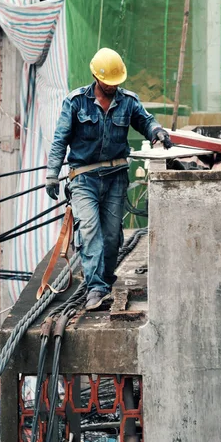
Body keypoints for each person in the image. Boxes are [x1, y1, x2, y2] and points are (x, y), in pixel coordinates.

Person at [45, 48, 172, 310]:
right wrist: (52, 175)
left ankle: (103, 279)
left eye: (116, 82)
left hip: (115, 177)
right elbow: (60, 141)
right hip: (84, 179)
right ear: (96, 76)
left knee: (113, 237)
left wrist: (157, 131)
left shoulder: (128, 101)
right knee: (90, 231)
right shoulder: (75, 102)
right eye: (108, 82)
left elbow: (145, 121)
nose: (113, 86)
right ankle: (95, 288)